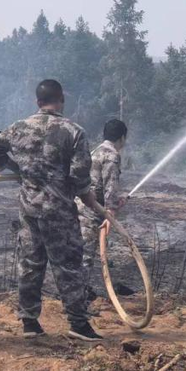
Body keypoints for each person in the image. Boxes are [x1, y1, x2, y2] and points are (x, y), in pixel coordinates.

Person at [0, 79, 107, 342]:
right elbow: (79, 176)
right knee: (69, 267)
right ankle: (77, 323)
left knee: (30, 264)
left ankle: (29, 322)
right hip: (59, 212)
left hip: (29, 210)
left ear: (37, 102)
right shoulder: (73, 131)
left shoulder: (18, 128)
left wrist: (15, 169)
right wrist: (92, 202)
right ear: (61, 100)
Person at [79, 118, 128, 294]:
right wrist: (111, 211)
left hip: (83, 207)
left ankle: (81, 291)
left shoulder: (96, 151)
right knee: (86, 254)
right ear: (122, 138)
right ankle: (80, 297)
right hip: (91, 211)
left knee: (83, 250)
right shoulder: (112, 155)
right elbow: (110, 185)